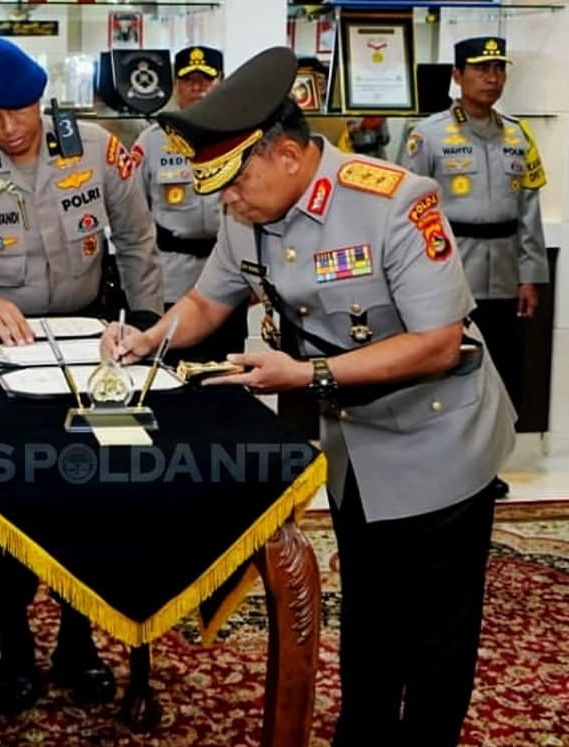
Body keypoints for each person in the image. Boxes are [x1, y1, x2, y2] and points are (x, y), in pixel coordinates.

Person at [103, 46, 515, 747]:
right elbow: (208, 298)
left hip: (442, 439)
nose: (223, 200)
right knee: (370, 617)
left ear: (289, 154)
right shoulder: (247, 212)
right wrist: (152, 337)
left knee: (436, 637)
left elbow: (440, 342)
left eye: (234, 182)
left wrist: (307, 378)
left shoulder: (392, 199)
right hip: (358, 445)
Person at [0, 36, 162, 712]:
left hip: (90, 347)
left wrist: (145, 325)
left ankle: (80, 637)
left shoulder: (97, 148)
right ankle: (14, 639)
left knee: (100, 499)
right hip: (7, 361)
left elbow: (135, 240)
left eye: (24, 111)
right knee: (5, 504)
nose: (12, 129)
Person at [402, 36, 546, 498]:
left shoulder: (519, 136)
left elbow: (529, 212)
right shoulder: (429, 135)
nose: (492, 77)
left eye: (499, 69)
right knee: (445, 371)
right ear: (457, 75)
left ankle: (484, 468)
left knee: (496, 373)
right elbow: (406, 208)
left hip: (503, 271)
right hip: (448, 269)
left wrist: (530, 275)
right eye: (481, 69)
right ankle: (442, 465)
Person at [130, 45, 247, 359]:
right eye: (189, 80)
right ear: (176, 86)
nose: (198, 88)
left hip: (228, 278)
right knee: (169, 371)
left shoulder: (243, 139)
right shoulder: (152, 142)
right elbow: (133, 217)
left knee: (228, 373)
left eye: (207, 80)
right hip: (171, 278)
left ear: (222, 82)